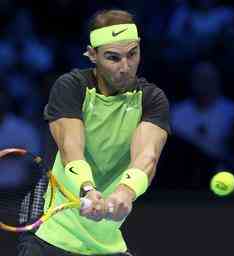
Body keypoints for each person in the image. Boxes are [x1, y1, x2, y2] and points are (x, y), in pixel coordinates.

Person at [18, 9, 170, 256]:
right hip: (48, 234)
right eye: (113, 58)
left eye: (132, 54)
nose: (125, 67)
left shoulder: (152, 99)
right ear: (92, 55)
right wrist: (87, 188)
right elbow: (70, 146)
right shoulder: (71, 87)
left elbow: (147, 157)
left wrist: (125, 192)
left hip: (106, 242)